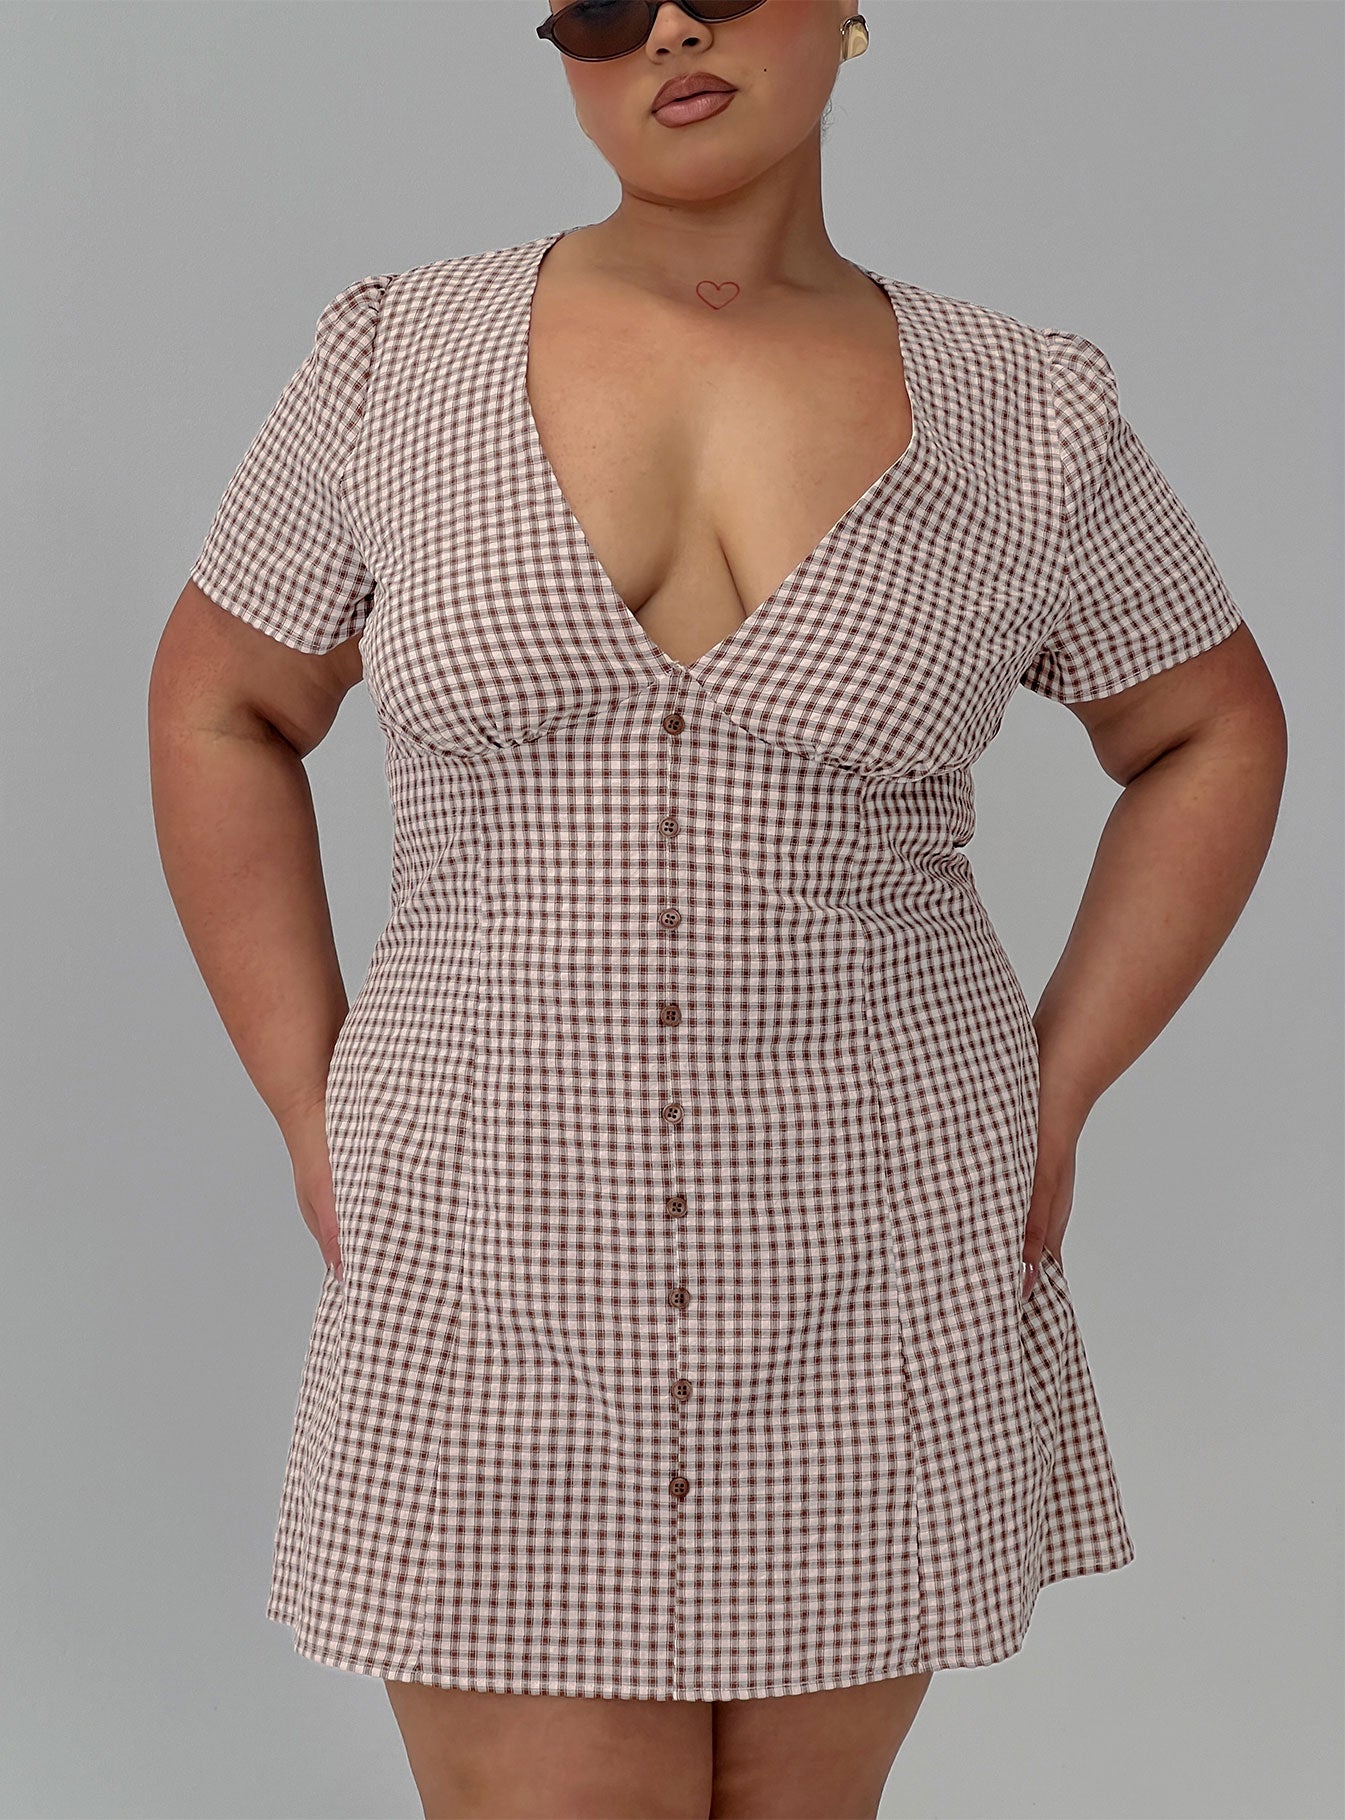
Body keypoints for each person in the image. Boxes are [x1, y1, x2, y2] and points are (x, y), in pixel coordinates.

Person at [148, 3, 1287, 1816]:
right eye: (603, 5)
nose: (667, 26)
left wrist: (1057, 1088)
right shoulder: (395, 359)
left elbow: (1208, 728)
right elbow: (223, 701)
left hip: (879, 1236)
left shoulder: (1026, 407)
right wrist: (308, 1093)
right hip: (492, 1239)